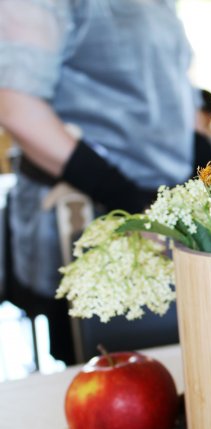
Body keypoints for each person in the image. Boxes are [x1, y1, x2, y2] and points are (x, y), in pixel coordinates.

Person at [0, 0, 197, 365]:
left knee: (170, 357)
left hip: (158, 203)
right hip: (88, 201)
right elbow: (15, 105)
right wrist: (125, 196)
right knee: (98, 365)